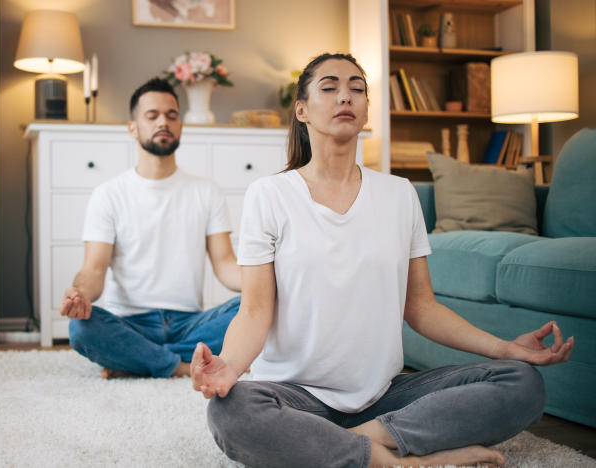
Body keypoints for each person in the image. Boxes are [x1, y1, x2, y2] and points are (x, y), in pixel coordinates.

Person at [191, 53, 574, 467]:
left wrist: (506, 349)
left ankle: (347, 444)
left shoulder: (399, 194)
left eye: (357, 88)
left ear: (367, 108)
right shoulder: (270, 195)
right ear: (301, 109)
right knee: (232, 412)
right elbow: (254, 311)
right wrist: (229, 366)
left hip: (384, 398)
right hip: (294, 396)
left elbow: (423, 309)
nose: (346, 97)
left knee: (522, 383)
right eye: (330, 87)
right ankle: (404, 461)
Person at [62, 77, 241, 379]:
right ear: (133, 127)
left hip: (191, 324)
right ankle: (184, 366)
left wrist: (267, 283)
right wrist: (79, 294)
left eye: (172, 116)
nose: (164, 122)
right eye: (152, 115)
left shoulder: (206, 191)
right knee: (81, 327)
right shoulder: (108, 194)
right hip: (131, 323)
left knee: (257, 308)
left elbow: (225, 264)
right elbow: (94, 269)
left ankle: (137, 361)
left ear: (181, 126)